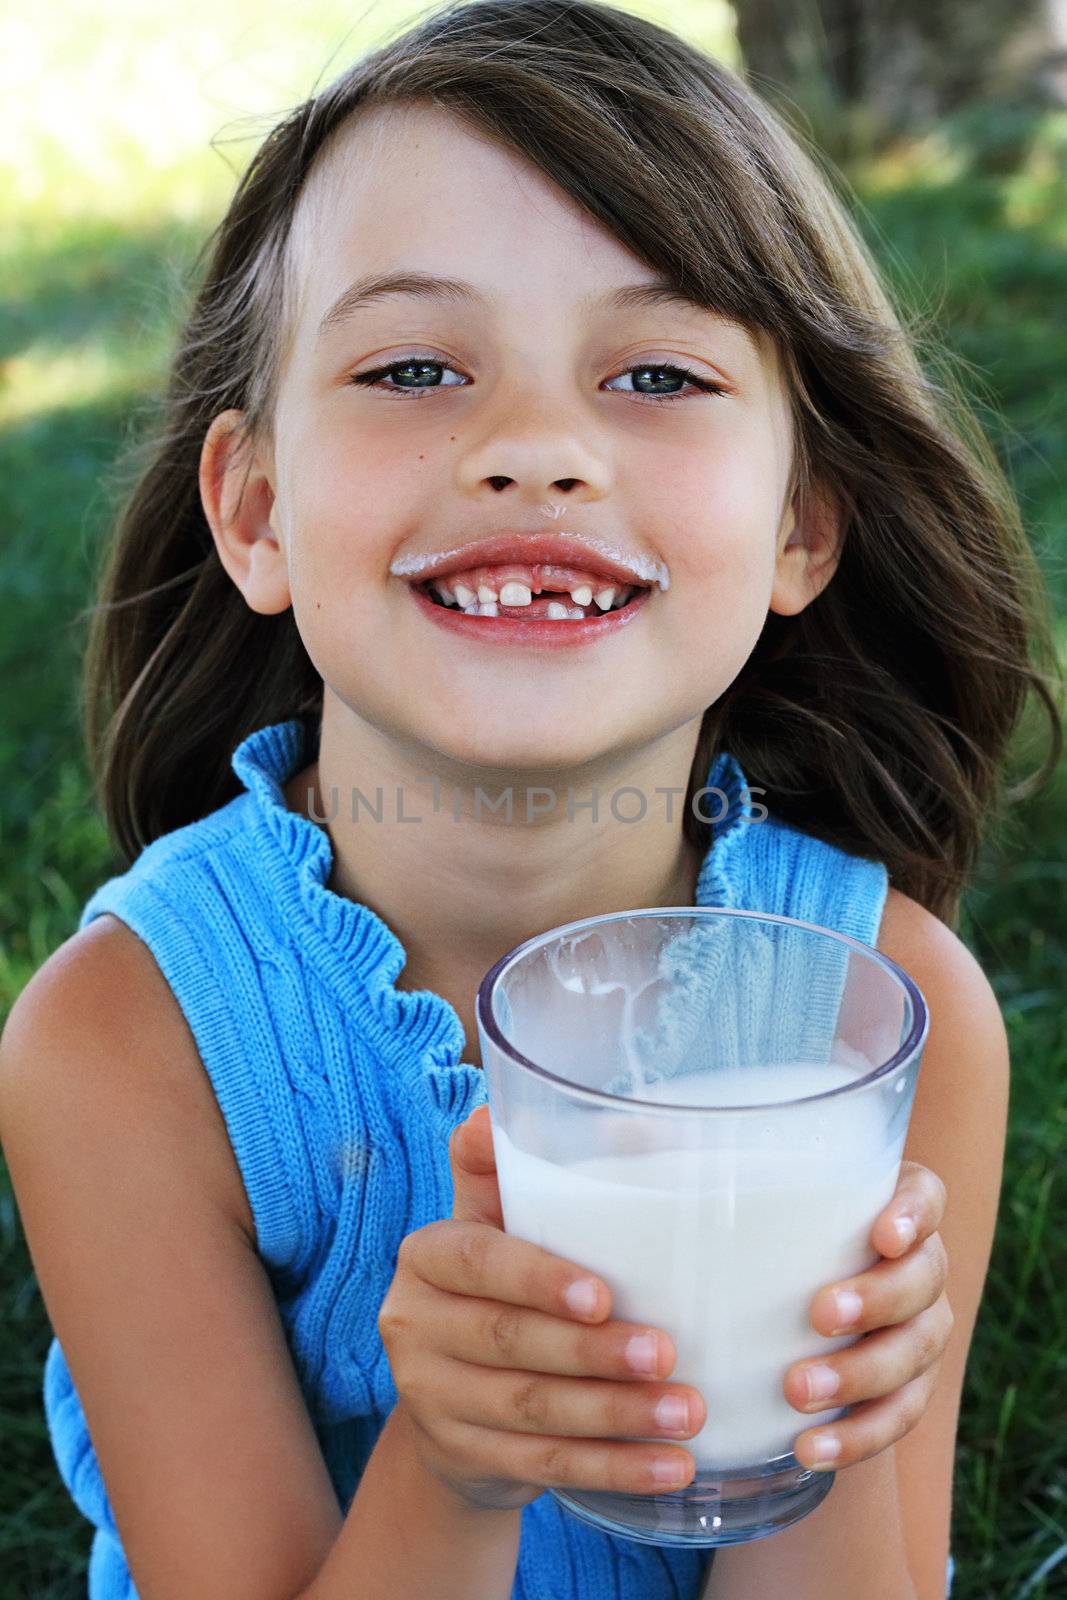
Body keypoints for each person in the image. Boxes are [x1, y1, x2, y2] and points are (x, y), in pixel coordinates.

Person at [0, 1, 1060, 1596]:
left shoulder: (894, 1019)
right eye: (417, 365)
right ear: (258, 509)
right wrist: (460, 1461)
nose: (537, 448)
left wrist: (836, 1418)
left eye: (655, 370)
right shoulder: (133, 1046)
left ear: (802, 526)